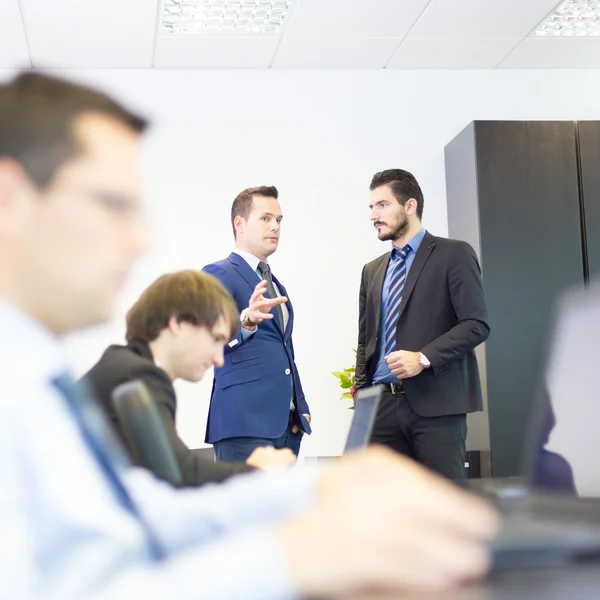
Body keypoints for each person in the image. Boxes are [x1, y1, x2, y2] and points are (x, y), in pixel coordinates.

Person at [0, 72, 500, 599]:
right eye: (113, 205)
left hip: (313, 420)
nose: (142, 239)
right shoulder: (40, 382)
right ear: (10, 196)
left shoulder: (38, 374)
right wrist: (299, 556)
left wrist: (314, 487)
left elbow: (142, 514)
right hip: (251, 421)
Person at [83, 270, 296, 487]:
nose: (219, 359)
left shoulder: (125, 364)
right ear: (178, 323)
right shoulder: (139, 374)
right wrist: (258, 471)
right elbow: (177, 473)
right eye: (216, 339)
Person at [356, 169, 490, 480]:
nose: (374, 215)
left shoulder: (453, 254)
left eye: (382, 205)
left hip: (437, 406)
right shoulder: (372, 271)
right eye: (371, 207)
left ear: (410, 205)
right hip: (381, 408)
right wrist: (363, 400)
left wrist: (423, 358)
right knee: (387, 508)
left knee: (443, 504)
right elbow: (365, 341)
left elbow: (476, 323)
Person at [203, 186, 311, 461]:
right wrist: (246, 322)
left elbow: (284, 350)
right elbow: (207, 343)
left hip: (287, 427)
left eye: (279, 220)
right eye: (265, 218)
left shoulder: (274, 283)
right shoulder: (217, 273)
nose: (275, 226)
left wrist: (298, 406)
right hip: (243, 426)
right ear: (240, 223)